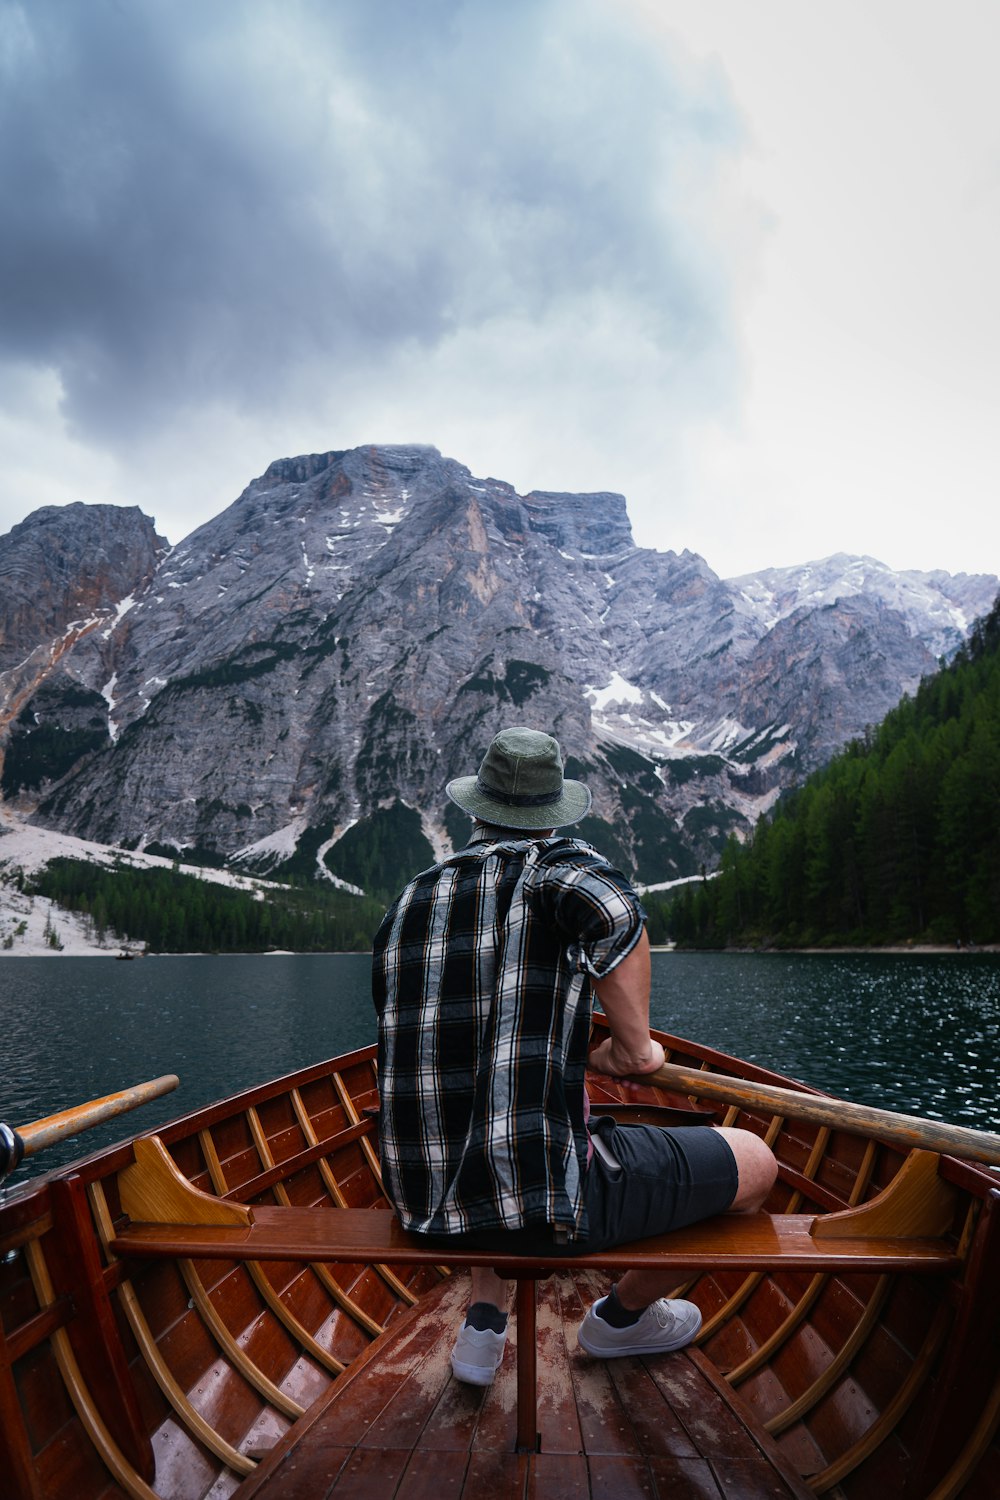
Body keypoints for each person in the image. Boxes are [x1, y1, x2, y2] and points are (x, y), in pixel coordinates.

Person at [372, 726, 776, 1386]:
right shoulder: (559, 869)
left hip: (419, 1204)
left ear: (477, 810)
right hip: (542, 1208)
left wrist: (569, 1043)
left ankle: (482, 1325)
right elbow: (616, 914)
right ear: (556, 812)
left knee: (488, 1132)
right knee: (756, 1162)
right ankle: (620, 1320)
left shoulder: (412, 896)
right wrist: (633, 1048)